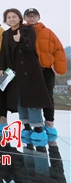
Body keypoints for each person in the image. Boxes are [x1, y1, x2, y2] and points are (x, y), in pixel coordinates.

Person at [0, 8, 52, 145]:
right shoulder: (5, 34)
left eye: (14, 16)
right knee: (20, 99)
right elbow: (3, 52)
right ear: (6, 20)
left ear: (19, 18)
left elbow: (31, 47)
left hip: (29, 70)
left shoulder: (28, 30)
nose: (11, 19)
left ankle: (38, 128)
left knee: (32, 99)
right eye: (8, 17)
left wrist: (21, 39)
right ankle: (26, 126)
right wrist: (1, 68)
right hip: (14, 71)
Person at [23, 8, 67, 137]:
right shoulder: (22, 31)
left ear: (39, 17)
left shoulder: (48, 32)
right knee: (30, 97)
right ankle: (32, 124)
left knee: (48, 96)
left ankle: (49, 123)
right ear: (24, 18)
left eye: (34, 15)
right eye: (28, 16)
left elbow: (58, 49)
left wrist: (59, 67)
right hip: (29, 70)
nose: (31, 18)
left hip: (45, 70)